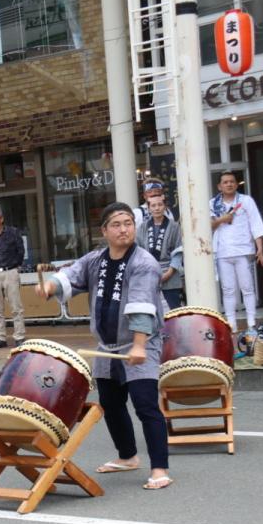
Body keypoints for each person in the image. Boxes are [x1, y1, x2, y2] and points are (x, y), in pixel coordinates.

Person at [36, 202, 172, 490]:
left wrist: (139, 346)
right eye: (117, 225)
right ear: (105, 231)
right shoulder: (95, 259)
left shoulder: (144, 263)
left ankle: (160, 469)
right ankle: (128, 456)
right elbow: (70, 275)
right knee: (111, 403)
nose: (124, 230)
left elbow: (142, 305)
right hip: (107, 346)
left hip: (141, 341)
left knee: (146, 404)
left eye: (128, 224)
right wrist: (48, 287)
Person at [210, 170, 263, 334]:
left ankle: (251, 321)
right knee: (228, 290)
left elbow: (256, 224)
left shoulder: (246, 201)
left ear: (236, 184)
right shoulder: (213, 203)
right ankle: (231, 323)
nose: (229, 184)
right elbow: (207, 225)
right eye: (225, 182)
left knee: (247, 287)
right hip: (222, 251)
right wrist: (222, 219)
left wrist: (260, 248)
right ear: (219, 186)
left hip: (243, 250)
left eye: (232, 181)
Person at [0, 205, 26, 350]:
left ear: (1, 219)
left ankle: (19, 336)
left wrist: (16, 266)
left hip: (10, 271)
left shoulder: (13, 233)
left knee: (16, 306)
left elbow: (21, 251)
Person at [137, 193, 184, 310]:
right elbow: (138, 252)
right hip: (149, 273)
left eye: (160, 205)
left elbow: (178, 251)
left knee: (174, 310)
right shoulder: (142, 227)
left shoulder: (174, 226)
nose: (157, 208)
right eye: (153, 206)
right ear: (149, 208)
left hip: (170, 272)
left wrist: (169, 273)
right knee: (152, 310)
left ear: (165, 207)